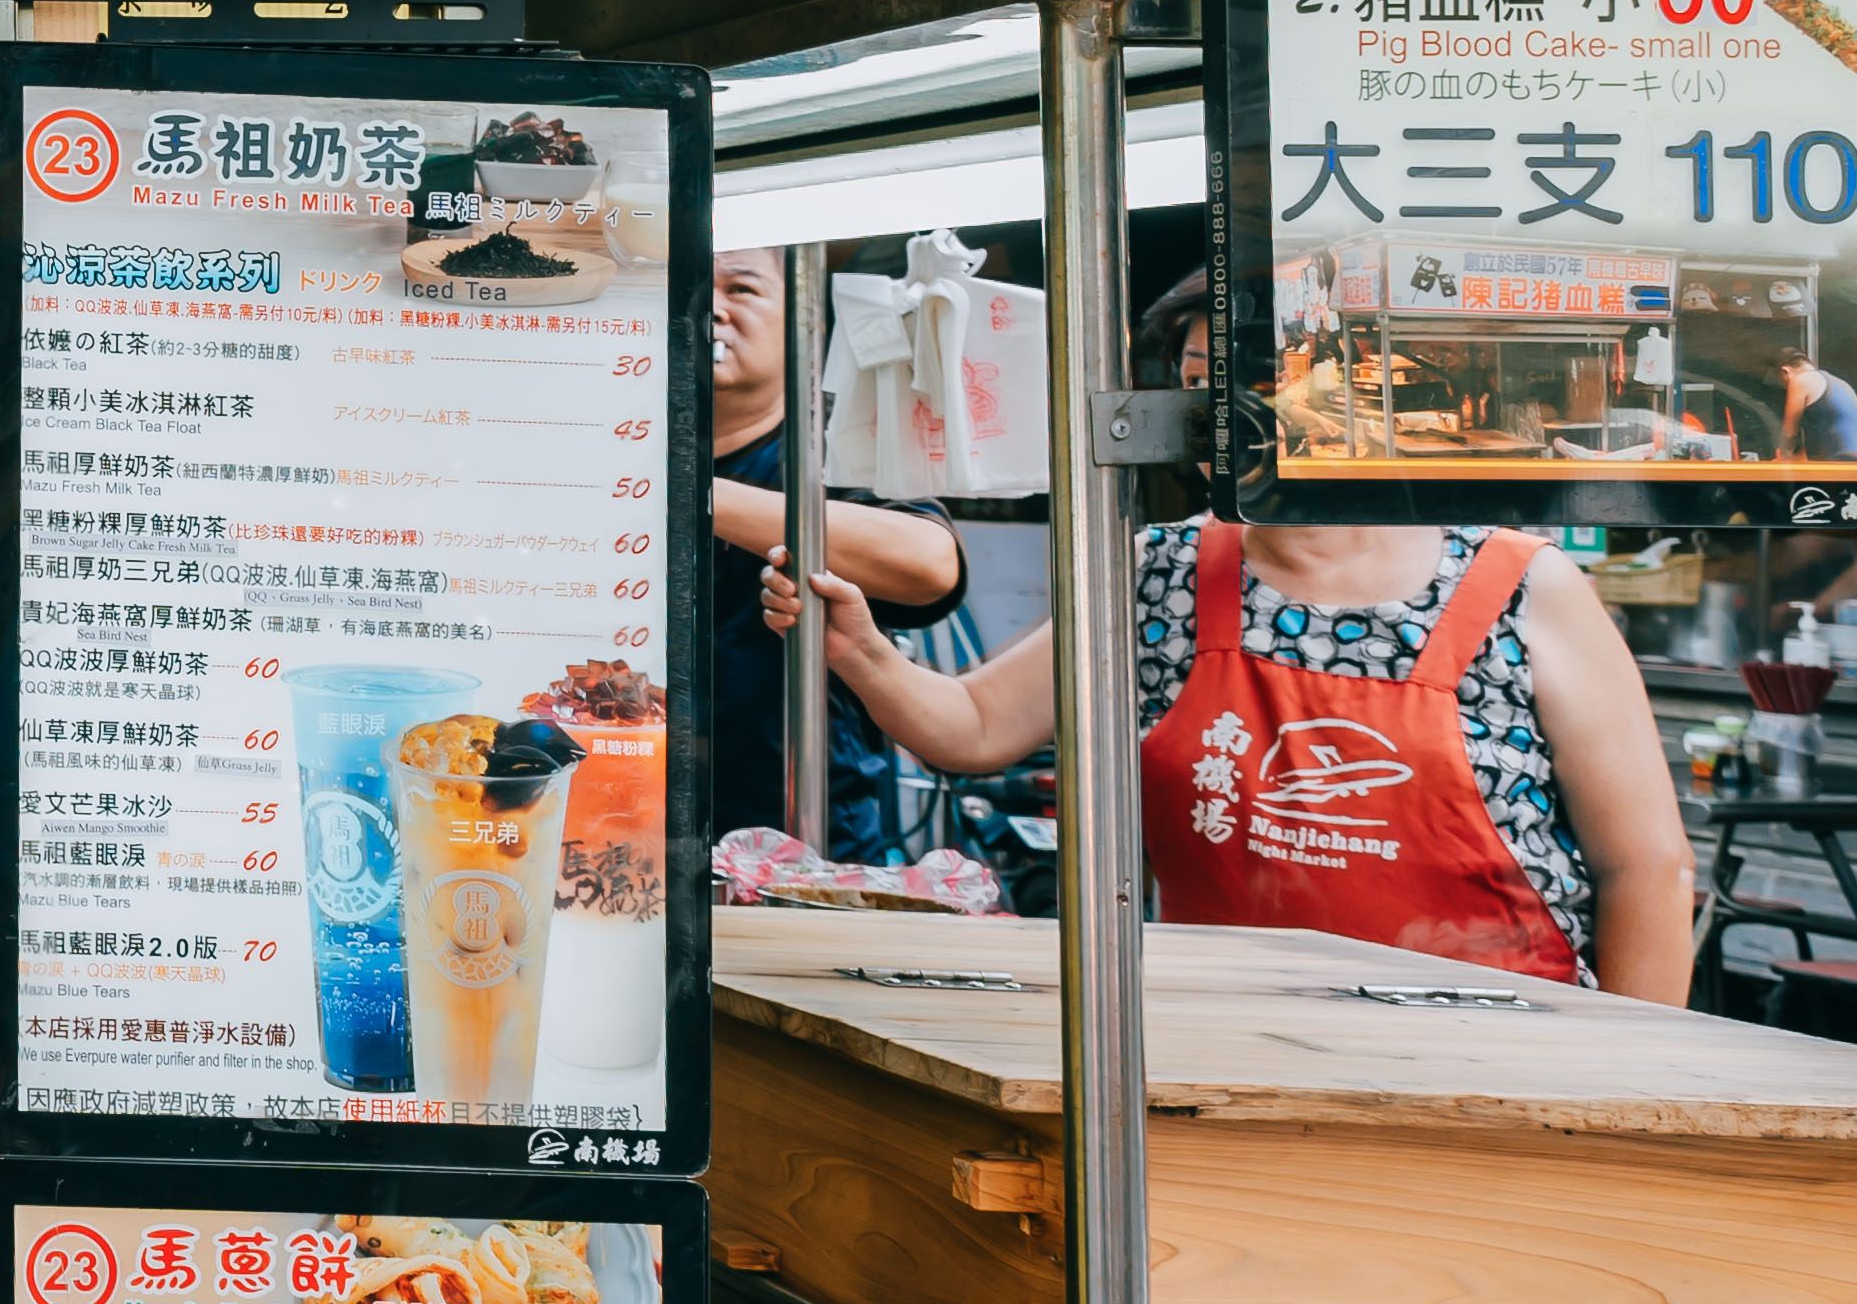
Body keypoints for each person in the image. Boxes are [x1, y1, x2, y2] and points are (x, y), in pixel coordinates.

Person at [781, 512, 1697, 999]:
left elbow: (1648, 867)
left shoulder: (1521, 583)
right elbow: (976, 725)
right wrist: (864, 654)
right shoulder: (1162, 569)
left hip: (1511, 1050)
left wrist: (1633, 1080)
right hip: (1228, 1044)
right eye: (1202, 389)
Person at [696, 248, 968, 852]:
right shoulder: (606, 453)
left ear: (803, 326)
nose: (709, 308)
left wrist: (693, 493)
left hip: (811, 840)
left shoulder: (836, 453)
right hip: (625, 830)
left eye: (741, 289)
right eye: (689, 285)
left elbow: (931, 564)